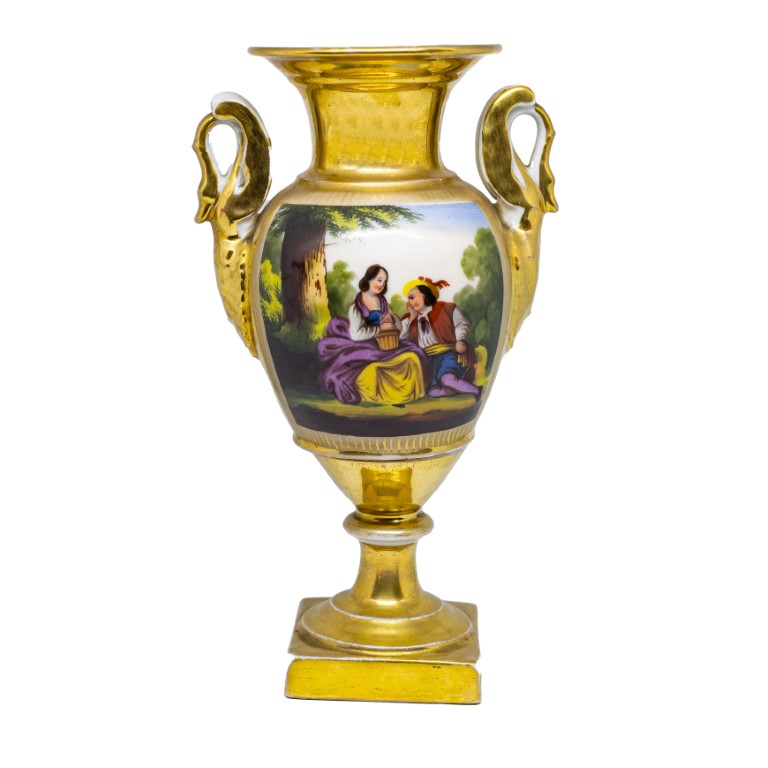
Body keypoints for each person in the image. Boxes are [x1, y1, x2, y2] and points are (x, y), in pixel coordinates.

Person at [318, 265, 428, 404]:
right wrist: (379, 329)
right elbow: (356, 335)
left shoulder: (382, 302)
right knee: (375, 369)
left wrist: (393, 320)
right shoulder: (356, 306)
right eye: (379, 280)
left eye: (384, 282)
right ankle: (386, 396)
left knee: (412, 358)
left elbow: (398, 328)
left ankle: (404, 395)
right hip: (364, 347)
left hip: (384, 345)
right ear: (368, 279)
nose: (382, 285)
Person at [399, 277, 480, 398]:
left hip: (446, 354)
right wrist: (411, 318)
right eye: (408, 299)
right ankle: (459, 388)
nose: (409, 303)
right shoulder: (410, 320)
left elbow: (462, 323)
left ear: (424, 295)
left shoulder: (444, 309)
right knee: (433, 392)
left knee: (447, 379)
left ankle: (477, 391)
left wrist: (459, 340)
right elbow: (399, 337)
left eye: (412, 297)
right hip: (426, 360)